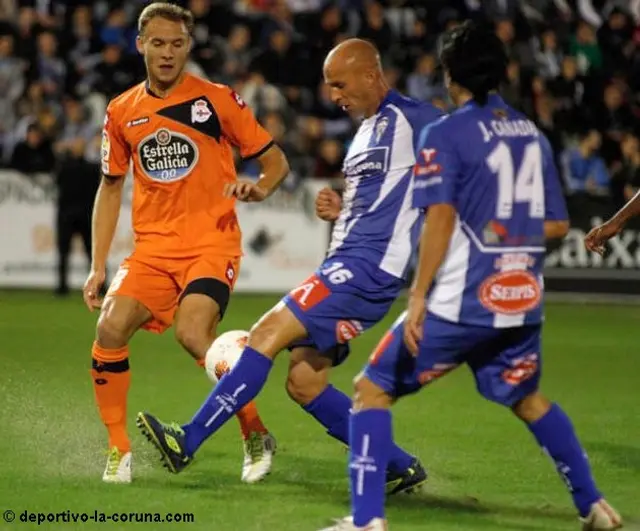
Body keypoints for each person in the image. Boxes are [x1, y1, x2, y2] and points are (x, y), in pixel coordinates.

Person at [323, 22, 623, 531]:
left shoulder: (445, 132)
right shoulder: (531, 134)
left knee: (370, 390)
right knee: (528, 400)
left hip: (458, 302)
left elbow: (438, 218)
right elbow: (555, 225)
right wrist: (508, 243)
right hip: (520, 300)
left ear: (449, 73)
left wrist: (418, 297)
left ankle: (367, 520)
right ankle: (594, 506)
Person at [135, 38, 444, 494]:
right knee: (304, 382)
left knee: (264, 335)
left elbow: (472, 155)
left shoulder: (417, 120)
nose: (334, 96)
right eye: (328, 87)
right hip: (350, 262)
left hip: (366, 269)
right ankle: (398, 465)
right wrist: (340, 205)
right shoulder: (364, 133)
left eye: (340, 85)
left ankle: (188, 439)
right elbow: (383, 197)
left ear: (371, 74)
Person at [85, 2, 289, 485]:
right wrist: (98, 265)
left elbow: (275, 160)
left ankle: (255, 431)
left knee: (194, 334)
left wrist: (261, 187)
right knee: (109, 329)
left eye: (177, 43)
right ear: (140, 45)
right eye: (158, 43)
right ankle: (119, 448)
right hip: (153, 251)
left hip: (210, 245)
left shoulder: (217, 100)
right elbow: (110, 187)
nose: (168, 53)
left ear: (189, 45)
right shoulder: (121, 111)